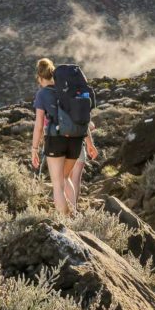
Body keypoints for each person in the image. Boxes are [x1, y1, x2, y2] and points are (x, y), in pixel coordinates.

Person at [31, 58, 98, 215]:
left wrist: (34, 149)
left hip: (56, 140)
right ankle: (73, 214)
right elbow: (81, 118)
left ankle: (65, 222)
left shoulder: (42, 94)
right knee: (66, 177)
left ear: (40, 78)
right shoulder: (67, 91)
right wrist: (89, 143)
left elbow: (39, 125)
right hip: (76, 140)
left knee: (57, 184)